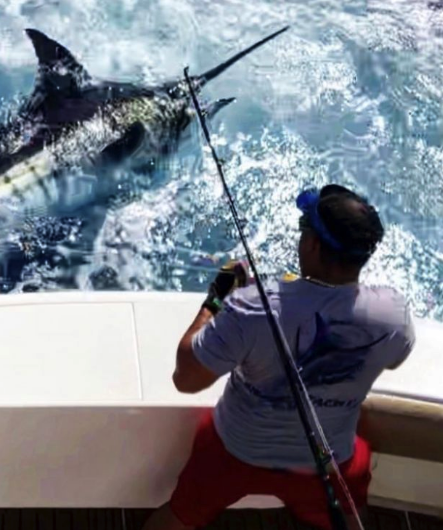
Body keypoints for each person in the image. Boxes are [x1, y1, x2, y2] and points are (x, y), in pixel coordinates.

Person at [144, 184, 415, 530]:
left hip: (234, 453)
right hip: (328, 465)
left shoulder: (250, 308)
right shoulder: (392, 316)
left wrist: (216, 301)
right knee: (353, 516)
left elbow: (186, 379)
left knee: (175, 520)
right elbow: (394, 359)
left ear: (313, 244)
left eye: (304, 229)